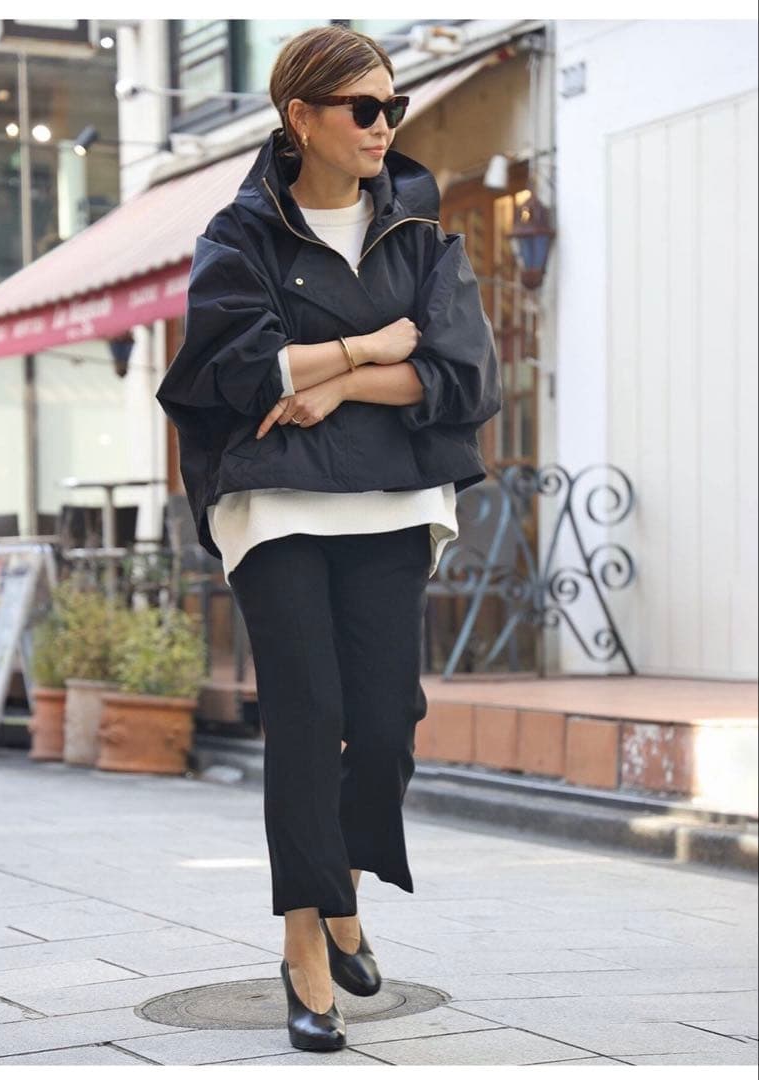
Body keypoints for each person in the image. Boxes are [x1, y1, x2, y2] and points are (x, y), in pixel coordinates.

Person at [156, 24, 502, 1052]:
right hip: (276, 504)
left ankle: (341, 891)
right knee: (308, 717)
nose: (383, 124)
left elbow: (461, 375)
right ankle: (306, 950)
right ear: (300, 116)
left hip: (391, 501)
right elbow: (232, 369)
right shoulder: (240, 235)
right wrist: (367, 346)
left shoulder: (421, 230)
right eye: (363, 108)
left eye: (392, 106)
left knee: (386, 722)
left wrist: (334, 379)